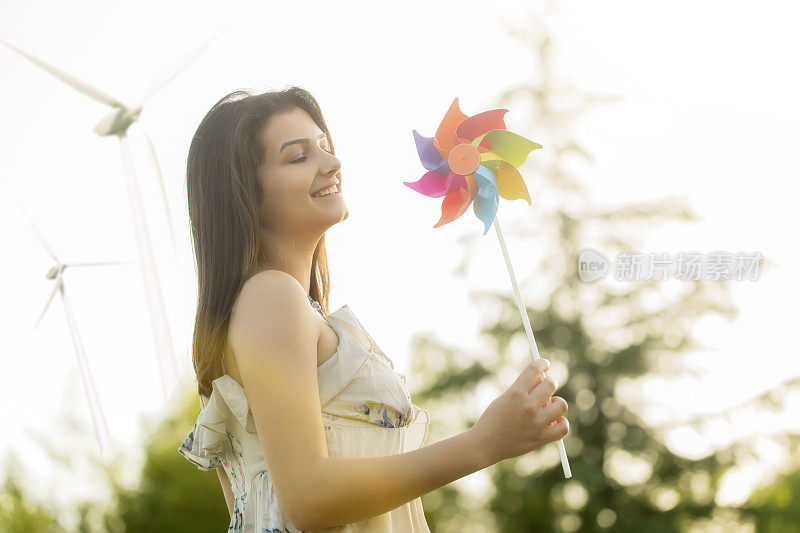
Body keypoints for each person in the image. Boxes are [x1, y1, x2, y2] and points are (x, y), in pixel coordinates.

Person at [178, 86, 569, 532]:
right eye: (298, 156)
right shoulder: (270, 297)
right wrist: (483, 443)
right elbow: (308, 498)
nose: (332, 163)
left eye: (325, 146)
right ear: (244, 190)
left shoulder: (270, 308)